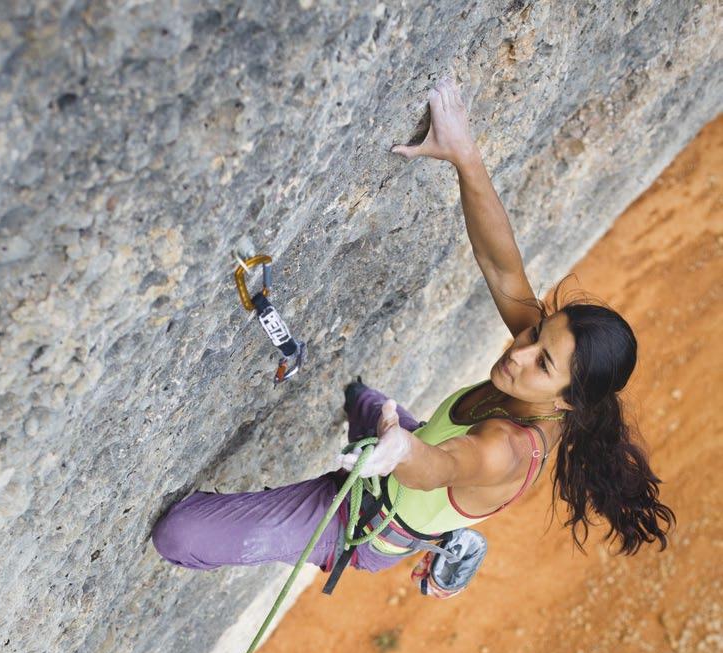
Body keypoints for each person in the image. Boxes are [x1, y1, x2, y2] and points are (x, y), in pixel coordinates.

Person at [152, 78, 674, 585]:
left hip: (365, 521)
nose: (519, 351)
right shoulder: (537, 368)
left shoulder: (506, 450)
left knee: (180, 533)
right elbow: (502, 267)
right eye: (536, 332)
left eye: (543, 362)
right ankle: (404, 456)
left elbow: (444, 466)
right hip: (412, 443)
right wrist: (465, 155)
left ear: (566, 402)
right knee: (360, 398)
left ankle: (411, 491)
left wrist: (402, 453)